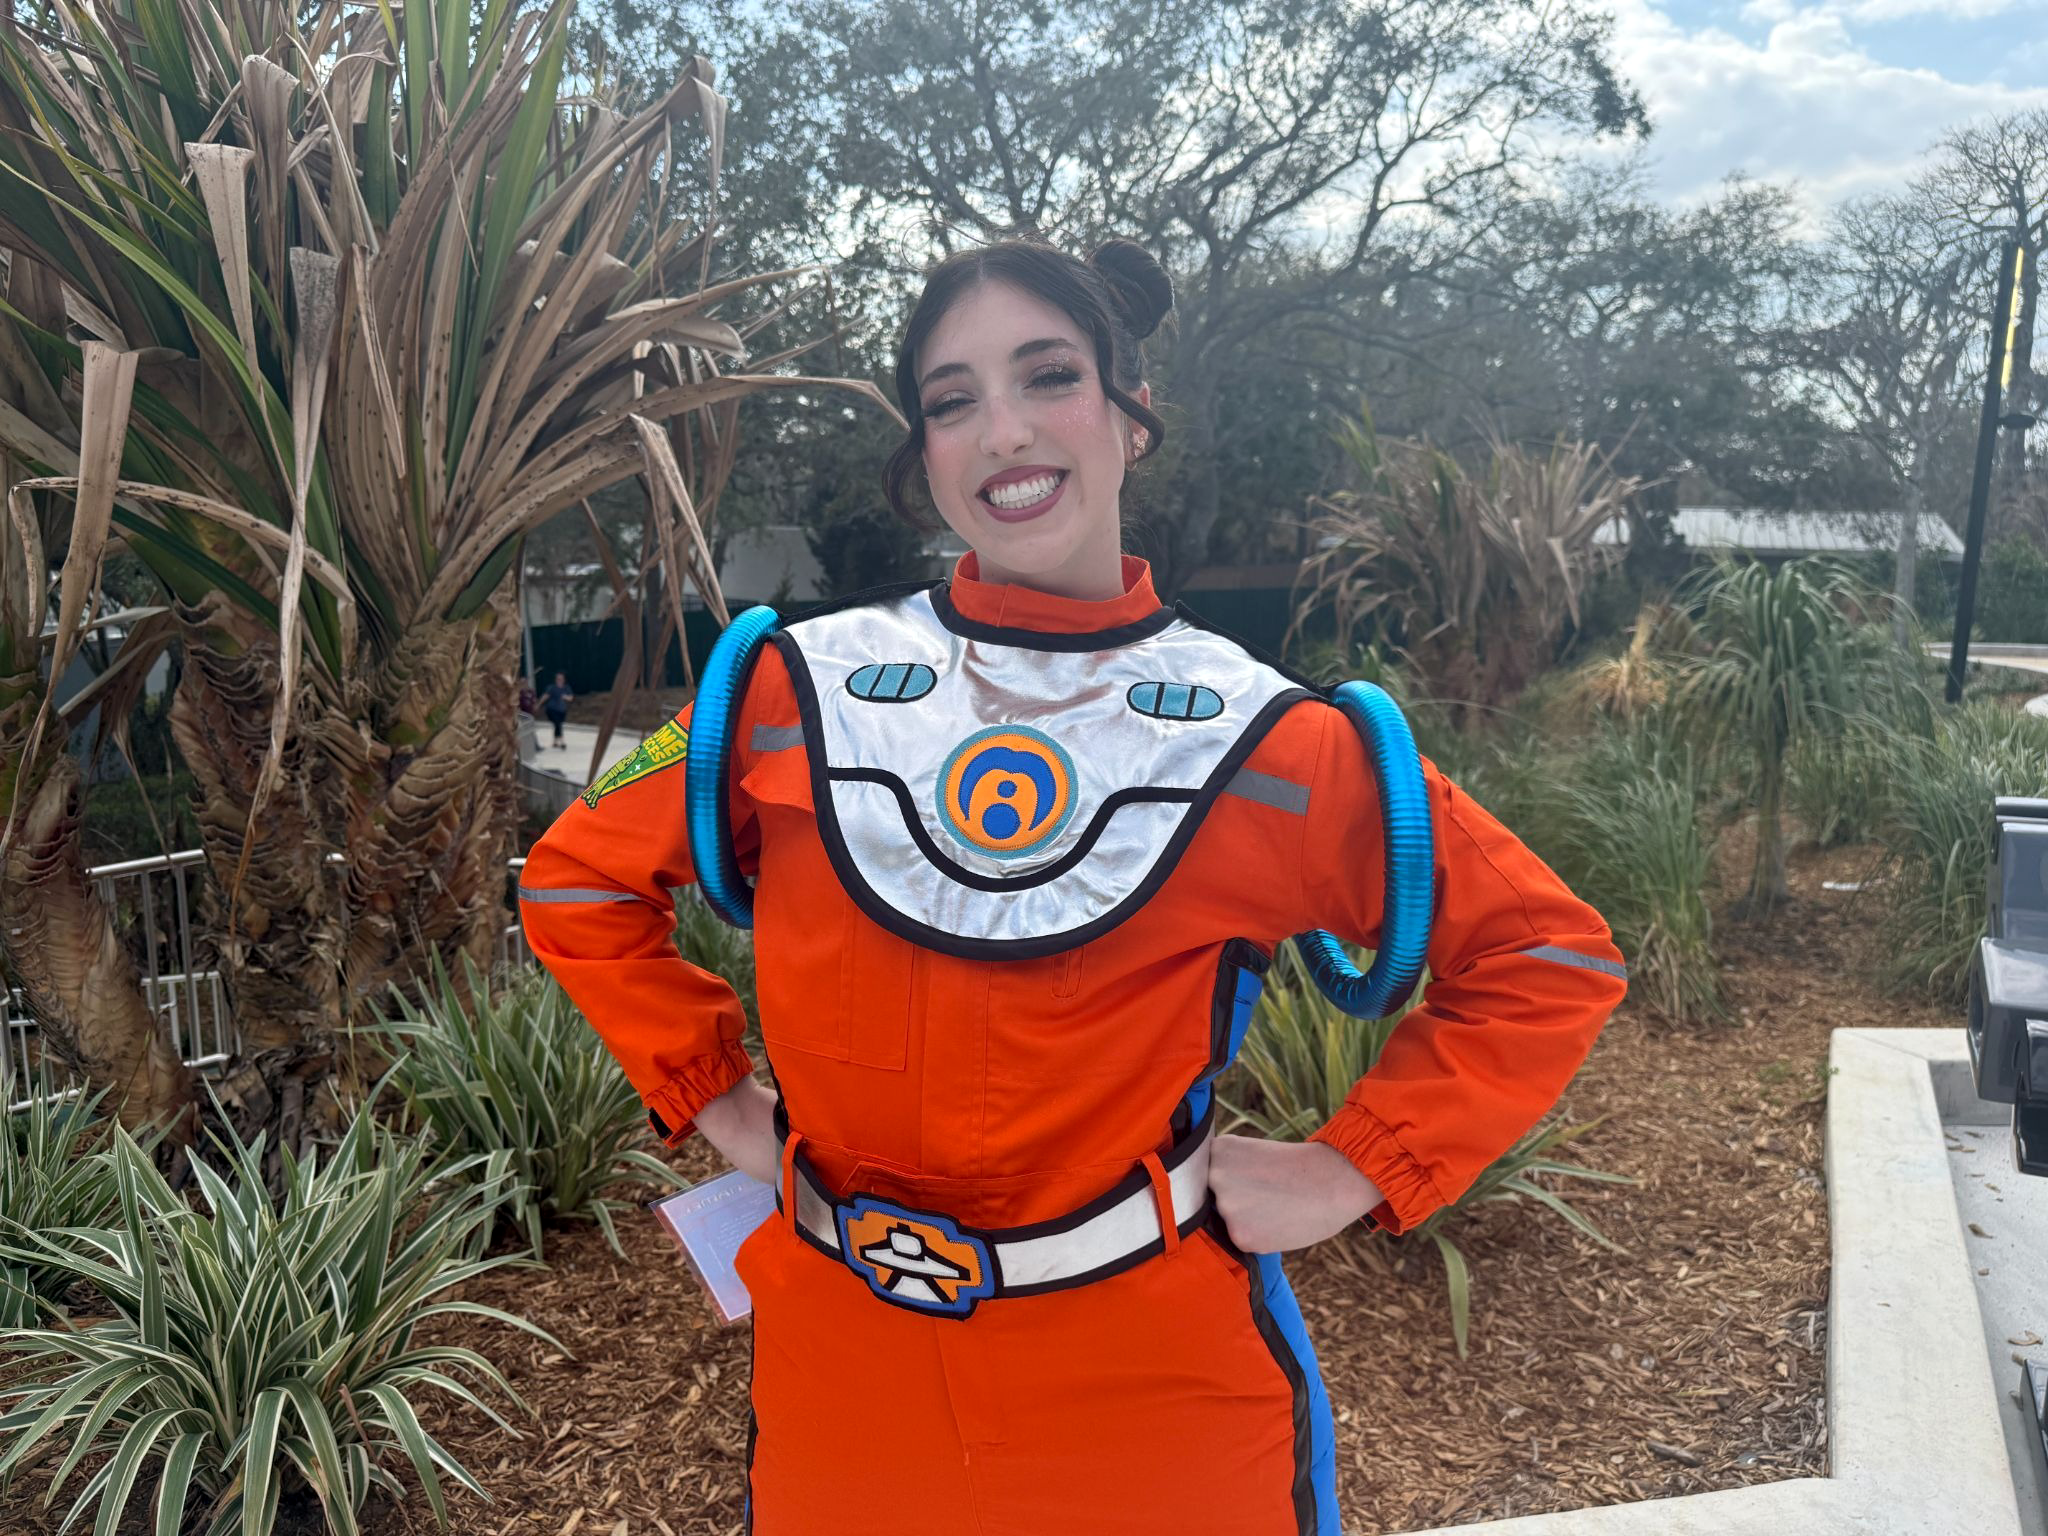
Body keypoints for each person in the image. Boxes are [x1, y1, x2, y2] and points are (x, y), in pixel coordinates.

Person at [518, 235, 1628, 1534]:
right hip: (842, 1383)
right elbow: (578, 884)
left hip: (1154, 1402)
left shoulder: (1270, 741)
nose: (1003, 431)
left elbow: (1548, 956)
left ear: (1129, 413)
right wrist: (717, 1102)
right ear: (925, 450)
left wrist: (1354, 1167)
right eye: (952, 400)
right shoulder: (787, 691)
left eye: (1048, 376)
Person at [541, 670, 573, 748]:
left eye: (561, 679)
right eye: (558, 679)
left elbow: (571, 698)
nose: (559, 680)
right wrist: (539, 704)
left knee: (557, 725)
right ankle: (562, 741)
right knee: (557, 723)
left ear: (564, 679)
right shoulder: (552, 687)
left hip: (562, 710)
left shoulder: (566, 688)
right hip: (552, 709)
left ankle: (555, 741)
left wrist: (565, 697)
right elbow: (546, 696)